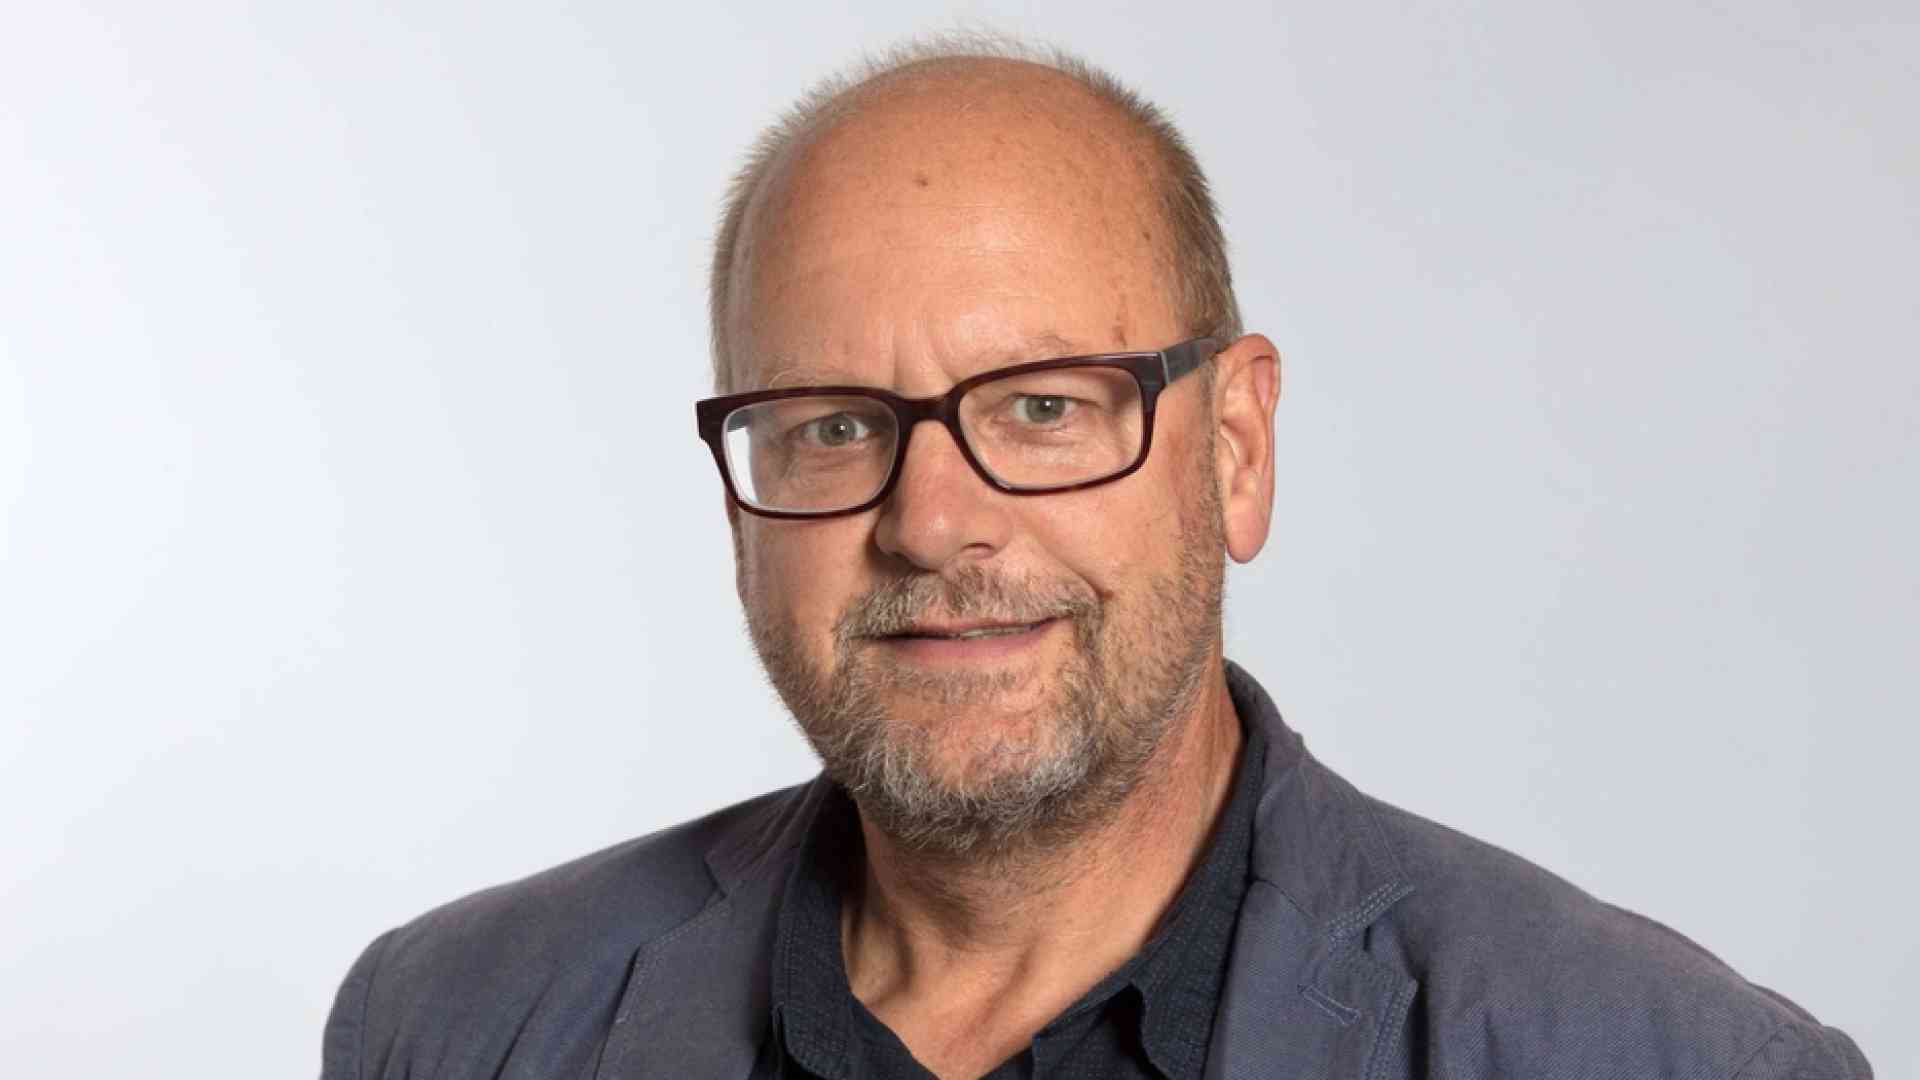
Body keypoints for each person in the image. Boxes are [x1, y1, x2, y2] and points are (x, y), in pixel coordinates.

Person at [321, 36, 1872, 1080]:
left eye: (1046, 407)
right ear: (739, 503)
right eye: (834, 428)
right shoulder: (452, 1024)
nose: (932, 522)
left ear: (1234, 449)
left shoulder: (1647, 1055)